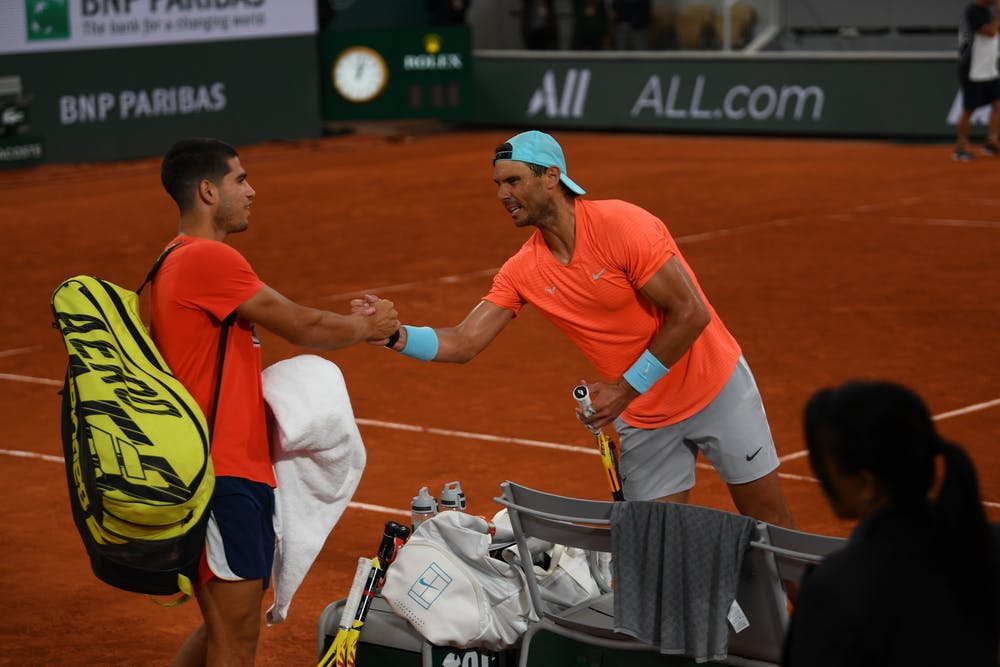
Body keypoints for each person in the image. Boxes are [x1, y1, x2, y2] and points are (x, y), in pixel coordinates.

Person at [359, 130, 795, 528]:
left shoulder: (621, 225)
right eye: (497, 185)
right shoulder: (522, 270)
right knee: (651, 548)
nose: (502, 194)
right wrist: (395, 336)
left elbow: (690, 313)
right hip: (645, 419)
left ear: (551, 176)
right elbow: (464, 341)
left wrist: (623, 390)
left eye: (512, 181)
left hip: (714, 389)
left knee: (770, 523)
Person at [153, 137, 398, 666]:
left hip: (224, 472)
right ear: (207, 190)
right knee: (236, 640)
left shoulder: (178, 260)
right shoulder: (206, 258)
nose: (252, 190)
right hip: (222, 476)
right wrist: (369, 325)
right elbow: (303, 325)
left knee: (227, 626)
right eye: (240, 180)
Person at [783, 380, 1000, 666]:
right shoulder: (990, 545)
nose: (821, 480)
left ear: (865, 484)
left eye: (825, 468)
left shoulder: (834, 587)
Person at [954, 0, 1000, 161]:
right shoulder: (972, 11)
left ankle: (991, 142)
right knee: (969, 110)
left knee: (998, 105)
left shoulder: (988, 11)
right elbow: (991, 32)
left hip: (989, 70)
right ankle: (961, 148)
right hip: (973, 70)